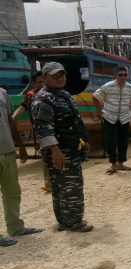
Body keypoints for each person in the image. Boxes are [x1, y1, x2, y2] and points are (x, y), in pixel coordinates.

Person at [31, 62, 93, 233]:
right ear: (44, 78)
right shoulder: (43, 98)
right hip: (59, 151)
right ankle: (74, 223)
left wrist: (84, 140)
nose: (60, 77)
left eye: (62, 74)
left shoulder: (64, 94)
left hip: (71, 148)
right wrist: (55, 152)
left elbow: (74, 121)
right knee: (70, 187)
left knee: (63, 187)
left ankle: (65, 221)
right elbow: (43, 128)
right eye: (54, 75)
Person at [1, 86, 43, 247]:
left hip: (7, 150)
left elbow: (10, 120)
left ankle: (16, 228)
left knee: (12, 192)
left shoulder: (2, 93)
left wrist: (21, 145)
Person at [93, 66, 131, 175]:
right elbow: (95, 96)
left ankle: (121, 163)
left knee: (123, 141)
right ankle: (113, 164)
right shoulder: (108, 86)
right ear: (115, 76)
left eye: (125, 75)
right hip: (109, 116)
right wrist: (99, 111)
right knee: (110, 141)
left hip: (124, 117)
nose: (123, 77)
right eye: (120, 75)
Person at [12, 71, 51, 192]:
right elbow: (23, 106)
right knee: (46, 154)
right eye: (40, 82)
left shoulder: (52, 93)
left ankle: (51, 181)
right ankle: (48, 182)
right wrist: (13, 117)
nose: (43, 84)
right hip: (40, 130)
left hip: (54, 128)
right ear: (34, 83)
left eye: (44, 81)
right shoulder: (31, 95)